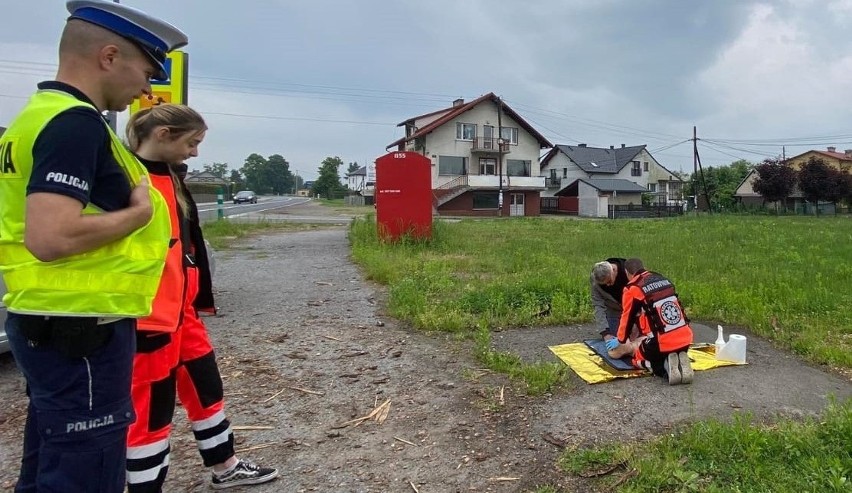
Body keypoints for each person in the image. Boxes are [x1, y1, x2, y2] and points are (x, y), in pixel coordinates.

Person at [0, 2, 185, 491]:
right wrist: (137, 216)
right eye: (146, 71)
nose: (147, 89)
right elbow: (50, 235)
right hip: (80, 330)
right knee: (86, 473)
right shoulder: (75, 124)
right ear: (108, 56)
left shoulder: (37, 117)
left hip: (51, 318)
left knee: (49, 466)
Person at [125, 104, 278, 491]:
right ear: (163, 135)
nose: (195, 153)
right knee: (150, 412)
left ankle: (225, 465)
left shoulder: (171, 177)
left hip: (182, 311)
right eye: (191, 143)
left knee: (206, 387)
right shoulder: (131, 179)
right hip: (148, 316)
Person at [605, 258, 694, 385]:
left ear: (627, 272)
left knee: (637, 360)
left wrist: (620, 340)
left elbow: (626, 318)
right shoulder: (663, 279)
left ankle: (665, 368)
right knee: (659, 344)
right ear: (644, 267)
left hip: (662, 342)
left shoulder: (632, 288)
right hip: (686, 338)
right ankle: (679, 358)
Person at [590, 258, 636, 343]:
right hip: (614, 310)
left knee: (638, 338)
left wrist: (634, 323)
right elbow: (598, 305)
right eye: (604, 284)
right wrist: (605, 333)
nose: (608, 285)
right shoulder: (595, 279)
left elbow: (642, 300)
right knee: (617, 339)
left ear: (614, 270)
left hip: (635, 310)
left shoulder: (631, 273)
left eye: (610, 281)